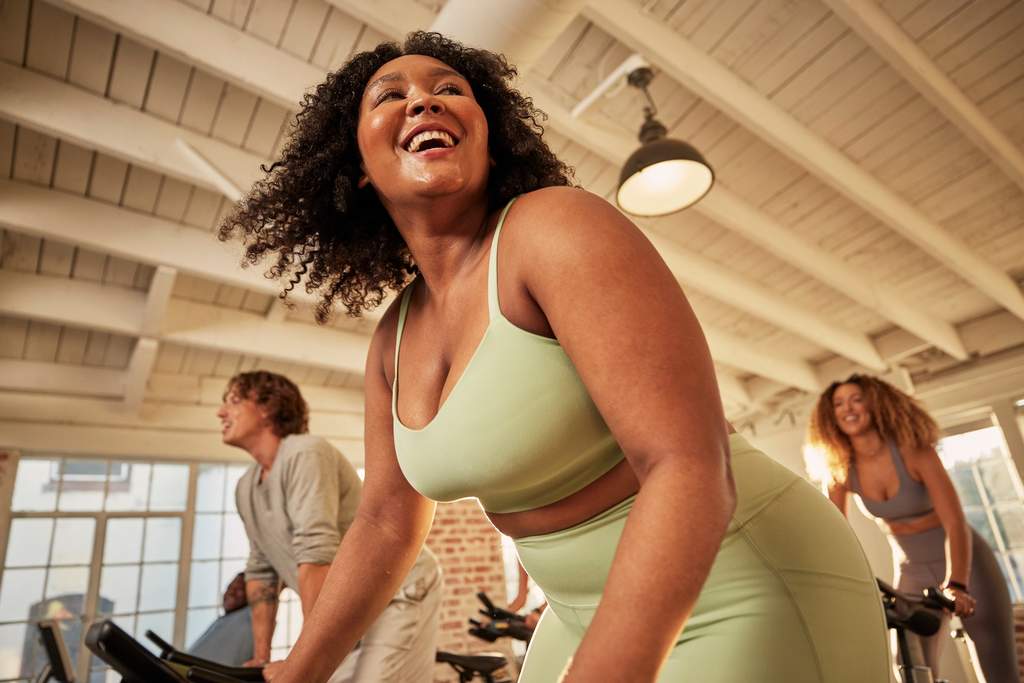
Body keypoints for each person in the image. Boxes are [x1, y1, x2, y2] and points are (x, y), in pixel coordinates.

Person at [219, 31, 890, 682]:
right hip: (575, 610)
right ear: (359, 171)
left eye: (449, 89)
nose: (424, 100)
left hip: (741, 577)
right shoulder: (391, 340)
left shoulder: (555, 227)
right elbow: (385, 523)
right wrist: (298, 670)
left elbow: (687, 462)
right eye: (390, 95)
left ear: (489, 139)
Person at [216, 370, 442, 682]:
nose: (221, 412)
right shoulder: (246, 487)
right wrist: (261, 657)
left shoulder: (306, 452)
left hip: (399, 589)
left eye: (233, 401)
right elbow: (260, 571)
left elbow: (316, 555)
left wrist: (299, 663)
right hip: (350, 604)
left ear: (266, 408)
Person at [806, 373, 1018, 682]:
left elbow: (955, 521)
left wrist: (957, 584)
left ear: (874, 404)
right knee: (910, 668)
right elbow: (835, 534)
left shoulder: (912, 450)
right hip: (912, 570)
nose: (847, 408)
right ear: (831, 415)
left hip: (967, 564)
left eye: (856, 399)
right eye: (838, 404)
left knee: (998, 669)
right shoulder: (840, 469)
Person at [187, 572, 254, 666]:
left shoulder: (250, 615)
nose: (231, 592)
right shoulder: (221, 621)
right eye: (229, 588)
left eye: (239, 589)